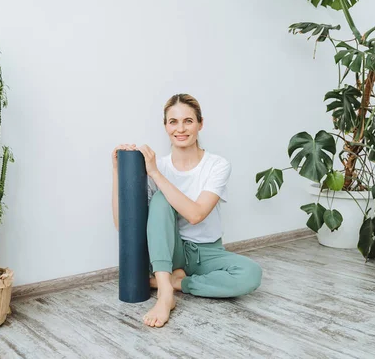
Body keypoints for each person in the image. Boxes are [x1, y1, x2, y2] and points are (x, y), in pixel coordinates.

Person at [111, 94, 262, 328]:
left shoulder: (217, 165)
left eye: (188, 121)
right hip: (169, 252)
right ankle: (164, 293)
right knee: (161, 200)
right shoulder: (157, 166)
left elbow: (196, 215)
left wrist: (156, 175)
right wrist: (118, 172)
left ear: (200, 124)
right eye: (173, 122)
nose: (180, 128)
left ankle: (176, 283)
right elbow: (124, 225)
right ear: (165, 126)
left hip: (206, 252)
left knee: (251, 274)